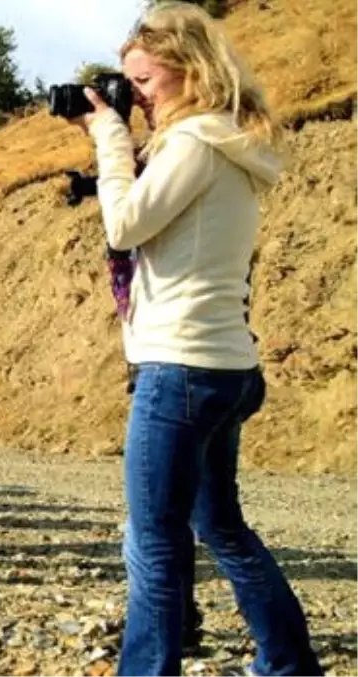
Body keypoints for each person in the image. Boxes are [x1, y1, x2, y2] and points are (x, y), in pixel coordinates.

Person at [71, 4, 321, 674]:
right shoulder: (225, 145)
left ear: (192, 69)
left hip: (180, 367)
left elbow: (123, 225)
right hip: (223, 363)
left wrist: (109, 139)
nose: (139, 97)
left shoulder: (192, 144)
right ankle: (289, 662)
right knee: (222, 527)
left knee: (154, 542)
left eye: (146, 81)